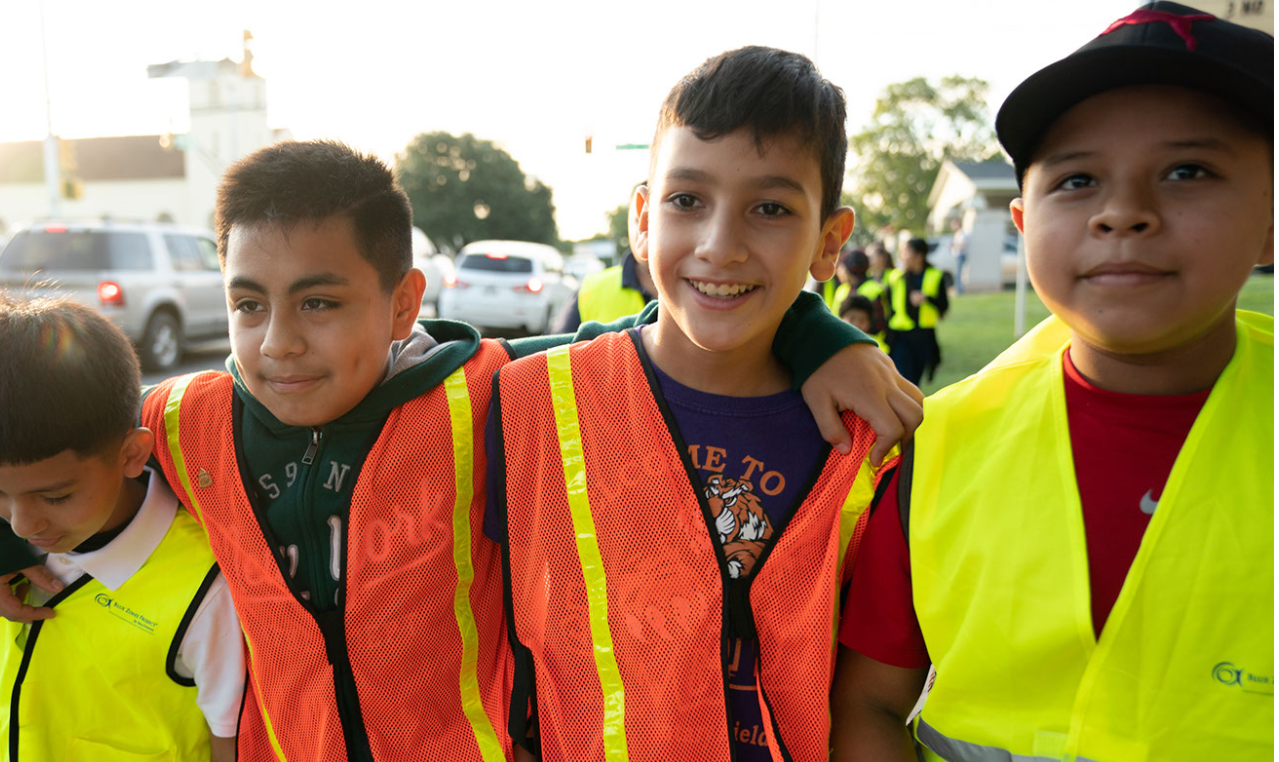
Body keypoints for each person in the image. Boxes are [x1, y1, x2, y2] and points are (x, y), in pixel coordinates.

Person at [0, 142, 923, 760]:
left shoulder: (491, 394)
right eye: (248, 303)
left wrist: (811, 333)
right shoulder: (187, 418)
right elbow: (49, 429)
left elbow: (655, 347)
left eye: (319, 303)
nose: (277, 340)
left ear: (402, 302)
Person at [831, 5, 1273, 760]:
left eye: (1187, 171)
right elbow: (869, 703)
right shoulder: (939, 445)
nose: (1123, 212)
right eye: (1076, 179)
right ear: (1022, 221)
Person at [492, 46, 900, 762]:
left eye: (770, 209)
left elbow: (874, 695)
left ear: (830, 242)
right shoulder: (524, 401)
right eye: (687, 201)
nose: (721, 245)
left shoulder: (871, 436)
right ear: (643, 218)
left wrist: (822, 337)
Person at [0, 296, 242, 762]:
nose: (22, 524)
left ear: (131, 454)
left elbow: (227, 735)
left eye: (55, 497)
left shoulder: (205, 590)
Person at [555, 185, 658, 332]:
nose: (644, 231)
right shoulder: (591, 290)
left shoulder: (698, 288)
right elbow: (559, 352)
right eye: (638, 221)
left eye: (651, 220)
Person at [885, 238, 952, 385]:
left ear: (919, 255)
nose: (903, 256)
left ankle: (913, 407)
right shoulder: (896, 276)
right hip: (900, 335)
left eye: (906, 252)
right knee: (903, 377)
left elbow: (944, 305)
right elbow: (887, 304)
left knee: (915, 379)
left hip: (923, 335)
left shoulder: (935, 275)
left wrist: (927, 299)